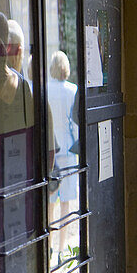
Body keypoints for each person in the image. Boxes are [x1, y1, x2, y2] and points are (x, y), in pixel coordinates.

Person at [47, 50, 79, 257]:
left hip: (51, 149)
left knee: (50, 202)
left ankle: (48, 245)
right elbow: (75, 124)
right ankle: (60, 250)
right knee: (66, 203)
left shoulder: (45, 89)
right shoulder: (72, 90)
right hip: (67, 149)